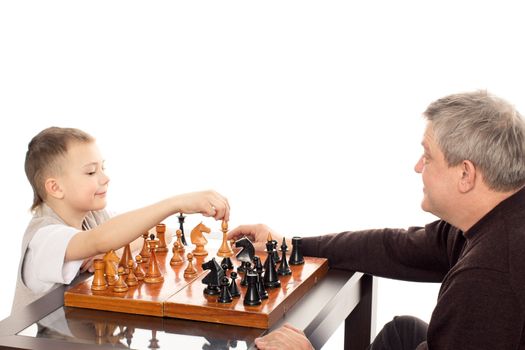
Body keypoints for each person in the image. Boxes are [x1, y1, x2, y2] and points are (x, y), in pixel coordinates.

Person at [228, 90, 525, 350]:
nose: (418, 166)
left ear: (465, 174)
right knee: (403, 332)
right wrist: (290, 245)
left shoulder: (489, 275)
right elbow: (396, 247)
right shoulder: (495, 217)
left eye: (428, 156)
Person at [12, 126, 230, 314]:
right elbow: (101, 240)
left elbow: (159, 232)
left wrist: (112, 250)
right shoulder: (44, 238)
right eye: (90, 172)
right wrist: (176, 203)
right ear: (55, 187)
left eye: (102, 168)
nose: (105, 178)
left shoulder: (93, 217)